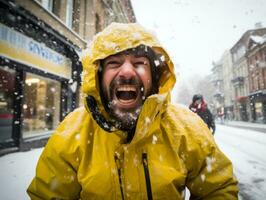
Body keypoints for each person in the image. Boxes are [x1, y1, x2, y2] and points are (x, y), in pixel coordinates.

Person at [27, 23, 238, 199]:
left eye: (138, 63)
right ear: (97, 78)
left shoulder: (186, 128)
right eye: (114, 63)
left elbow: (218, 190)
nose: (127, 71)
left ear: (154, 78)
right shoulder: (72, 133)